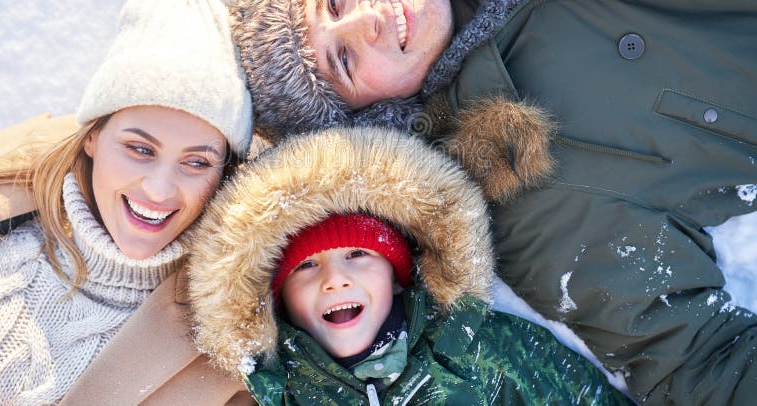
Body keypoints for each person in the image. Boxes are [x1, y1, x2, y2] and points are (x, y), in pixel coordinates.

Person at [226, 0, 757, 404]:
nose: (369, 18)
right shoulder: (534, 200)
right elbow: (701, 361)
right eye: (344, 61)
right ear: (370, 117)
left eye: (335, 2)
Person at [0, 0, 257, 404]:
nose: (159, 189)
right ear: (93, 137)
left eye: (196, 162)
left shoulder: (228, 346)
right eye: (139, 149)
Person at [187, 126, 630, 405]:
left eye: (358, 255)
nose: (335, 279)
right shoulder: (277, 394)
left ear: (398, 280)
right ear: (276, 303)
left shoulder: (478, 349)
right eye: (304, 268)